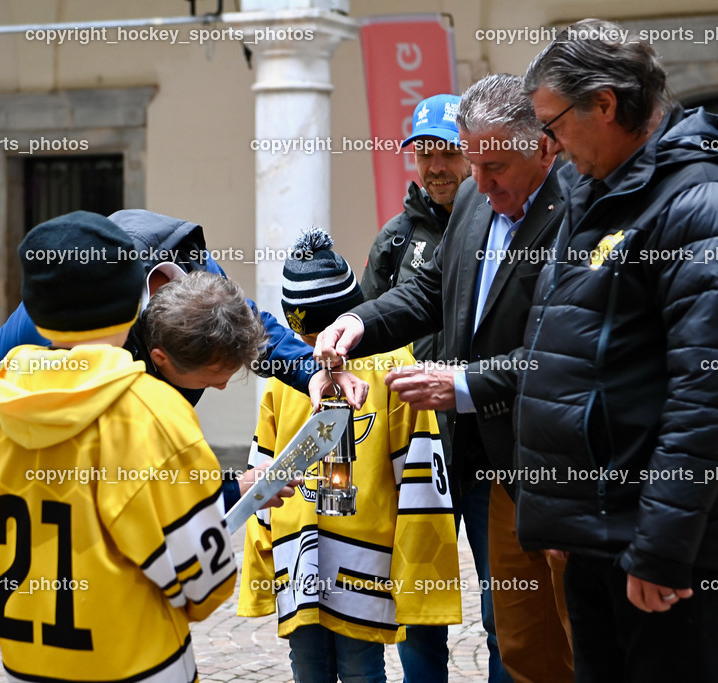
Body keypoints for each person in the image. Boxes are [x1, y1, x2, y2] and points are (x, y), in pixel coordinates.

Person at [515, 19, 718, 682]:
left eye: (554, 123)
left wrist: (662, 549)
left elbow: (709, 395)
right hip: (599, 532)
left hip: (662, 549)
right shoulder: (597, 193)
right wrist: (569, 515)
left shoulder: (708, 203)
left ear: (604, 103)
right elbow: (575, 357)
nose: (548, 144)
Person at [315, 74, 574, 682]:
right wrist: (355, 321)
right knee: (512, 627)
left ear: (544, 147)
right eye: (472, 163)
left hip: (543, 456)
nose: (478, 183)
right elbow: (430, 292)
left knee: (558, 630)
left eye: (494, 166)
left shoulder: (579, 214)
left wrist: (461, 385)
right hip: (457, 448)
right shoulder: (474, 205)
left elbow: (563, 349)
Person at [0, 209, 366, 547]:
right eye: (211, 378)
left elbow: (247, 326)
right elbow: (128, 499)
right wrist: (229, 494)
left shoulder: (196, 278)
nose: (220, 387)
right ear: (157, 357)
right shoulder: (78, 331)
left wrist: (311, 370)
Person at [0, 211, 243, 682]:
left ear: (36, 311)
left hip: (26, 663)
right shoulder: (150, 410)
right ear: (135, 301)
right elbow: (203, 581)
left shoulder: (1, 414)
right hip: (136, 664)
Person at [238, 228, 460, 683]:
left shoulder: (392, 365)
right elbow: (266, 461)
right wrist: (262, 544)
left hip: (361, 557)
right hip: (301, 550)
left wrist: (413, 564)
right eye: (307, 334)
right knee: (311, 665)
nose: (319, 347)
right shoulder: (287, 377)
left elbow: (419, 474)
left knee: (359, 668)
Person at [361, 93, 507, 683]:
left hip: (494, 451)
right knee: (418, 609)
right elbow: (371, 332)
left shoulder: (503, 224)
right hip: (420, 457)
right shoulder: (396, 240)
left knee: (508, 609)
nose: (436, 166)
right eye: (424, 153)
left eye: (447, 151)